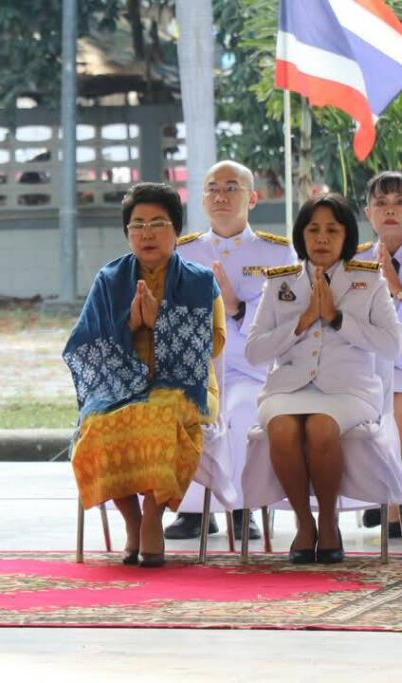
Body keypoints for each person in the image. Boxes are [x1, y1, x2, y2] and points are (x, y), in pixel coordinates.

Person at [63, 182, 225, 568]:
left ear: (176, 231)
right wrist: (129, 325)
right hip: (119, 383)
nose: (146, 233)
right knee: (98, 422)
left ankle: (153, 515)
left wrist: (161, 323)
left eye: (157, 223)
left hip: (185, 385)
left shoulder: (200, 281)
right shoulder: (109, 280)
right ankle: (132, 522)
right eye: (137, 225)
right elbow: (84, 343)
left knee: (159, 416)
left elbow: (216, 341)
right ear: (127, 234)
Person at [244, 193, 402, 564]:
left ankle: (328, 521)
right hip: (288, 387)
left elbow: (392, 344)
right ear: (301, 235)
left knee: (320, 427)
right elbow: (254, 351)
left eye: (332, 230)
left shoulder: (369, 280)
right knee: (281, 428)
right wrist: (301, 322)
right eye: (313, 230)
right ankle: (304, 522)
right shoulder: (280, 283)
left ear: (347, 236)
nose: (322, 238)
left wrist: (336, 318)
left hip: (349, 389)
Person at [165, 161, 296, 542]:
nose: (220, 196)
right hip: (198, 368)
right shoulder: (184, 251)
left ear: (252, 198)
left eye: (231, 187)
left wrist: (237, 307)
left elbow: (287, 314)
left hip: (251, 368)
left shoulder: (276, 253)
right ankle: (194, 511)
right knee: (184, 411)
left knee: (239, 413)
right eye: (212, 188)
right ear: (202, 198)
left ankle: (242, 507)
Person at [353, 170, 402, 537]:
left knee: (395, 407)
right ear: (368, 213)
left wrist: (396, 287)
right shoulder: (354, 261)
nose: (390, 210)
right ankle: (385, 502)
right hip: (368, 365)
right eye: (381, 203)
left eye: (399, 203)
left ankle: (393, 507)